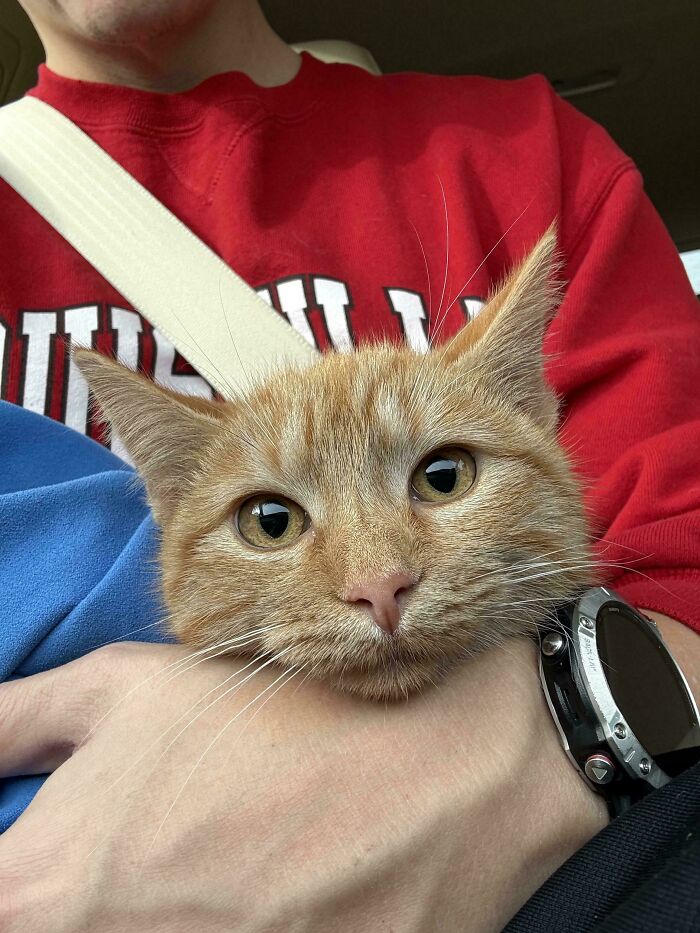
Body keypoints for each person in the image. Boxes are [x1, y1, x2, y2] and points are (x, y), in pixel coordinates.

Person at [0, 1, 698, 929]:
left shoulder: (521, 150)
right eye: (273, 520)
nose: (377, 579)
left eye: (443, 477)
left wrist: (561, 733)